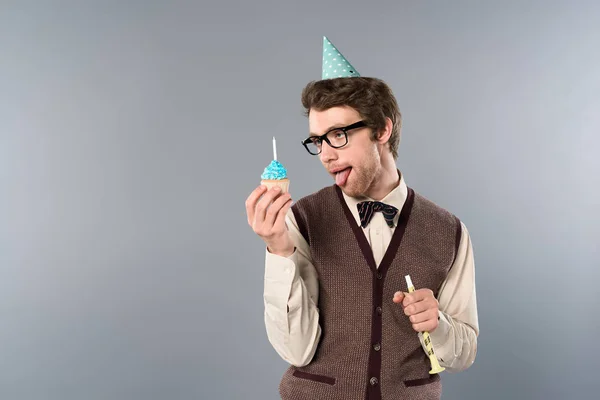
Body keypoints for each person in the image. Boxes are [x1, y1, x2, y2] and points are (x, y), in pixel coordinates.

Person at [245, 37, 479, 400]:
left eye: (338, 135)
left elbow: (465, 352)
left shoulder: (449, 231)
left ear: (381, 131)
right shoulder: (301, 220)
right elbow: (296, 350)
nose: (325, 155)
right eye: (317, 141)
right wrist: (278, 250)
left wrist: (440, 325)